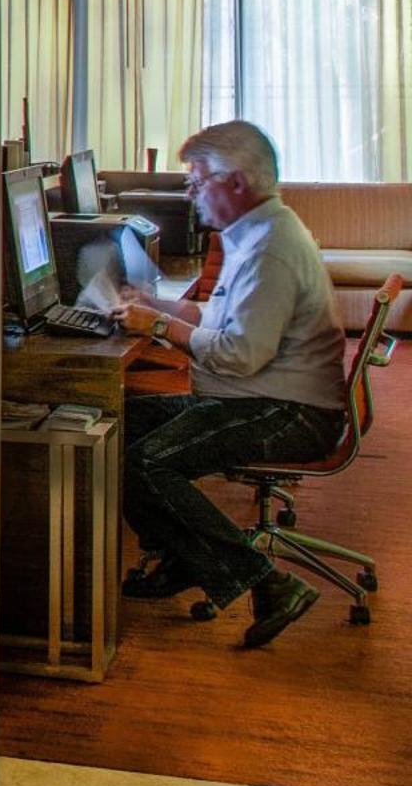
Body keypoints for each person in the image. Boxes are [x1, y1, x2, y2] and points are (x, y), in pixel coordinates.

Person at [111, 120, 347, 648]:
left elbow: (239, 355)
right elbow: (221, 319)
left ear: (235, 182)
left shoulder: (270, 250)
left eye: (197, 180)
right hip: (266, 396)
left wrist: (155, 326)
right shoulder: (258, 232)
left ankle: (269, 583)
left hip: (291, 413)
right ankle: (182, 556)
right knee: (117, 424)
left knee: (147, 461)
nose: (191, 193)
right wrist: (157, 304)